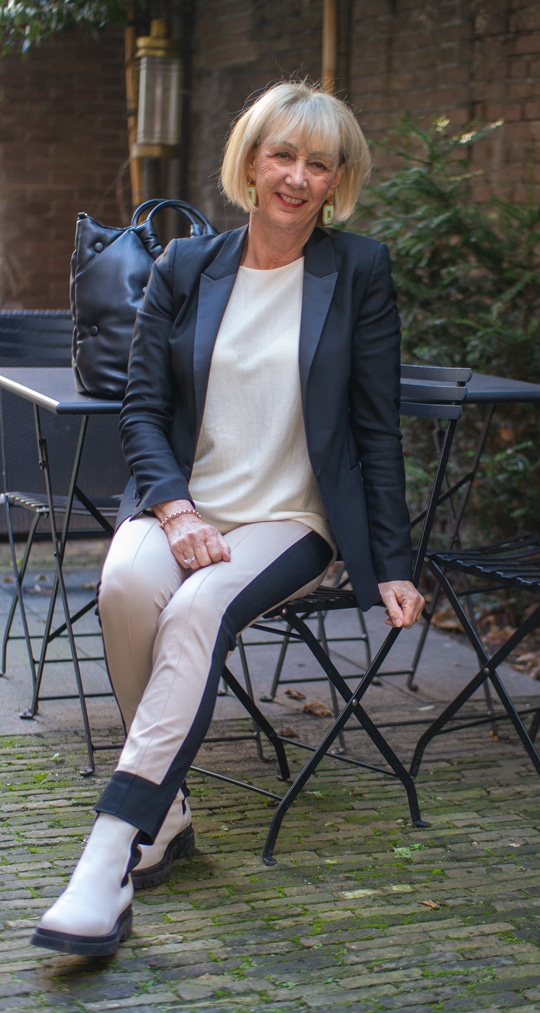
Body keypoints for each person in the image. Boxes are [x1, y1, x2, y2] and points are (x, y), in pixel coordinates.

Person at [31, 80, 425, 957]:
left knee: (198, 607)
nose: (296, 177)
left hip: (290, 516)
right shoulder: (185, 266)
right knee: (125, 584)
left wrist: (393, 561)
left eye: (318, 163)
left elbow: (375, 425)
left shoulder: (358, 271)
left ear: (337, 180)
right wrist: (174, 508)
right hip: (186, 501)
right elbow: (140, 408)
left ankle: (107, 854)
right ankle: (166, 809)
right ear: (249, 161)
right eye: (281, 155)